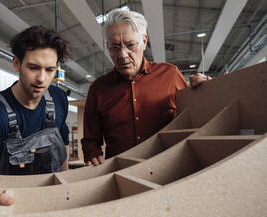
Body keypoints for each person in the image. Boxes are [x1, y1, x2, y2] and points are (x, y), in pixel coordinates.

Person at [0, 26, 71, 214]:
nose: (42, 79)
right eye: (33, 67)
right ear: (16, 63)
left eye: (50, 70)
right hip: (8, 205)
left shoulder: (59, 99)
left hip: (52, 203)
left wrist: (65, 185)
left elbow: (63, 142)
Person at [81, 9, 210, 166]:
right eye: (114, 47)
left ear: (144, 41)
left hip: (170, 167)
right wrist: (93, 155)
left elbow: (192, 119)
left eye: (130, 44)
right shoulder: (98, 89)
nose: (122, 54)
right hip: (120, 172)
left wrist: (205, 92)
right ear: (107, 47)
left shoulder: (170, 74)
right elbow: (90, 141)